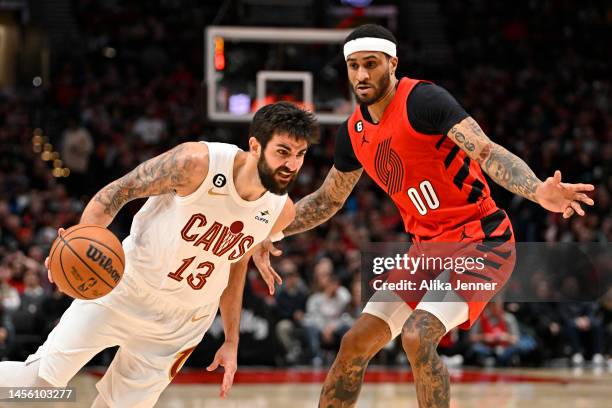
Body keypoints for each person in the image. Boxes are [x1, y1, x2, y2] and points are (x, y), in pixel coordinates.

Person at [254, 24, 595, 408]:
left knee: (417, 333)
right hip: (427, 250)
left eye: (371, 64)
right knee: (355, 343)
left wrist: (536, 189)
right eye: (353, 66)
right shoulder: (353, 132)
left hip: (483, 241)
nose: (362, 74)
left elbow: (486, 151)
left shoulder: (423, 100)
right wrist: (268, 227)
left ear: (392, 63)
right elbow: (327, 200)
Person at [0, 101, 319, 407]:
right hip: (124, 287)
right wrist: (81, 241)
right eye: (283, 151)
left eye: (300, 155)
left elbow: (235, 268)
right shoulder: (195, 163)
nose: (292, 165)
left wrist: (232, 341)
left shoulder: (280, 211)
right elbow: (117, 192)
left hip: (179, 324)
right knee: (36, 385)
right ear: (255, 145)